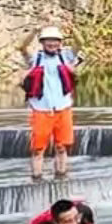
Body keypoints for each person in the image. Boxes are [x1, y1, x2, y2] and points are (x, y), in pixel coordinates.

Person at [22, 25, 84, 181]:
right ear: (42, 42)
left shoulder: (66, 56)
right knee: (37, 149)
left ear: (60, 42)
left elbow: (81, 43)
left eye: (55, 41)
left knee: (62, 147)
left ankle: (61, 177)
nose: (52, 44)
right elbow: (21, 47)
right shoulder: (35, 58)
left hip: (63, 108)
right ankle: (37, 178)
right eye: (48, 40)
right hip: (41, 109)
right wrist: (34, 32)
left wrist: (72, 29)